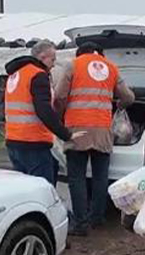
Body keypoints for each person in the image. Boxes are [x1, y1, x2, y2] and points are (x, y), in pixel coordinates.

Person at [54, 41, 135, 236]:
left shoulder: (72, 65)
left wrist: (60, 116)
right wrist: (118, 105)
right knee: (100, 176)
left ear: (80, 53)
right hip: (102, 129)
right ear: (99, 52)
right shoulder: (111, 67)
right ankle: (97, 218)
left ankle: (81, 223)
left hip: (77, 128)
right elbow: (129, 97)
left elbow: (59, 95)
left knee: (77, 177)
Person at [4, 43, 76, 186]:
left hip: (13, 141)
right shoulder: (37, 75)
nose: (54, 65)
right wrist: (66, 135)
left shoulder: (15, 74)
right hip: (33, 142)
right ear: (42, 57)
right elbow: (44, 110)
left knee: (23, 189)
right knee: (42, 190)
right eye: (52, 60)